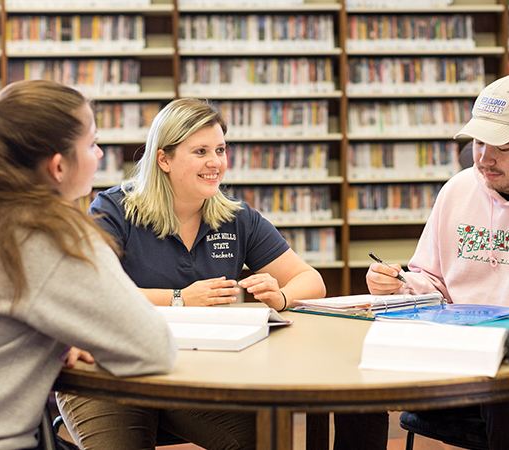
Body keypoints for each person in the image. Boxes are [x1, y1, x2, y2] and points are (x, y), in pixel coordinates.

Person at [0, 80, 177, 450]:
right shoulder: (45, 236)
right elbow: (156, 349)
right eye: (91, 144)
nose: (100, 154)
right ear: (58, 167)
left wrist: (58, 335)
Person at [56, 98, 328, 450]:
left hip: (193, 372)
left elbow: (312, 280)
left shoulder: (237, 218)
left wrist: (283, 296)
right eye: (200, 151)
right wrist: (180, 300)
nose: (215, 162)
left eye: (220, 149)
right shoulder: (114, 209)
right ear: (164, 159)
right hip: (111, 371)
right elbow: (91, 293)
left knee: (263, 439)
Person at [366, 75, 509, 449]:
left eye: (503, 148)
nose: (483, 159)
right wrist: (400, 284)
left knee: (507, 391)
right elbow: (433, 282)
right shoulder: (458, 190)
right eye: (478, 142)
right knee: (359, 368)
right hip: (460, 355)